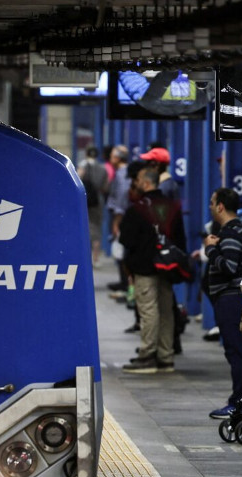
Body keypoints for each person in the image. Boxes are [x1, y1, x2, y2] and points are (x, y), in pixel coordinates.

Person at [121, 167, 185, 374]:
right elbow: (180, 239)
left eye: (138, 179)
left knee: (148, 311)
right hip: (167, 268)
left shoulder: (137, 208)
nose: (136, 182)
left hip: (144, 268)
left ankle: (147, 356)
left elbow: (127, 240)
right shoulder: (172, 206)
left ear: (146, 183)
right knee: (166, 311)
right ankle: (165, 357)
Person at [202, 188, 242, 419]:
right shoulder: (237, 230)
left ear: (220, 206)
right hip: (230, 298)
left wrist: (211, 250)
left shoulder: (231, 232)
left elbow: (230, 266)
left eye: (212, 203)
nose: (211, 207)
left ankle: (239, 403)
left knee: (236, 352)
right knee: (237, 351)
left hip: (230, 299)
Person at [105, 145, 132, 295]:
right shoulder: (122, 173)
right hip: (123, 216)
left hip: (122, 217)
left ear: (117, 158)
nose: (110, 159)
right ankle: (124, 282)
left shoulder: (122, 175)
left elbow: (121, 198)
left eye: (112, 156)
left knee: (121, 249)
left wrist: (117, 221)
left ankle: (125, 284)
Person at [77, 146, 109, 268]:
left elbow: (78, 181)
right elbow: (105, 187)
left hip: (84, 200)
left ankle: (85, 257)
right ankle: (95, 258)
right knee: (97, 228)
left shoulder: (82, 165)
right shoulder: (102, 168)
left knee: (84, 228)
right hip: (97, 201)